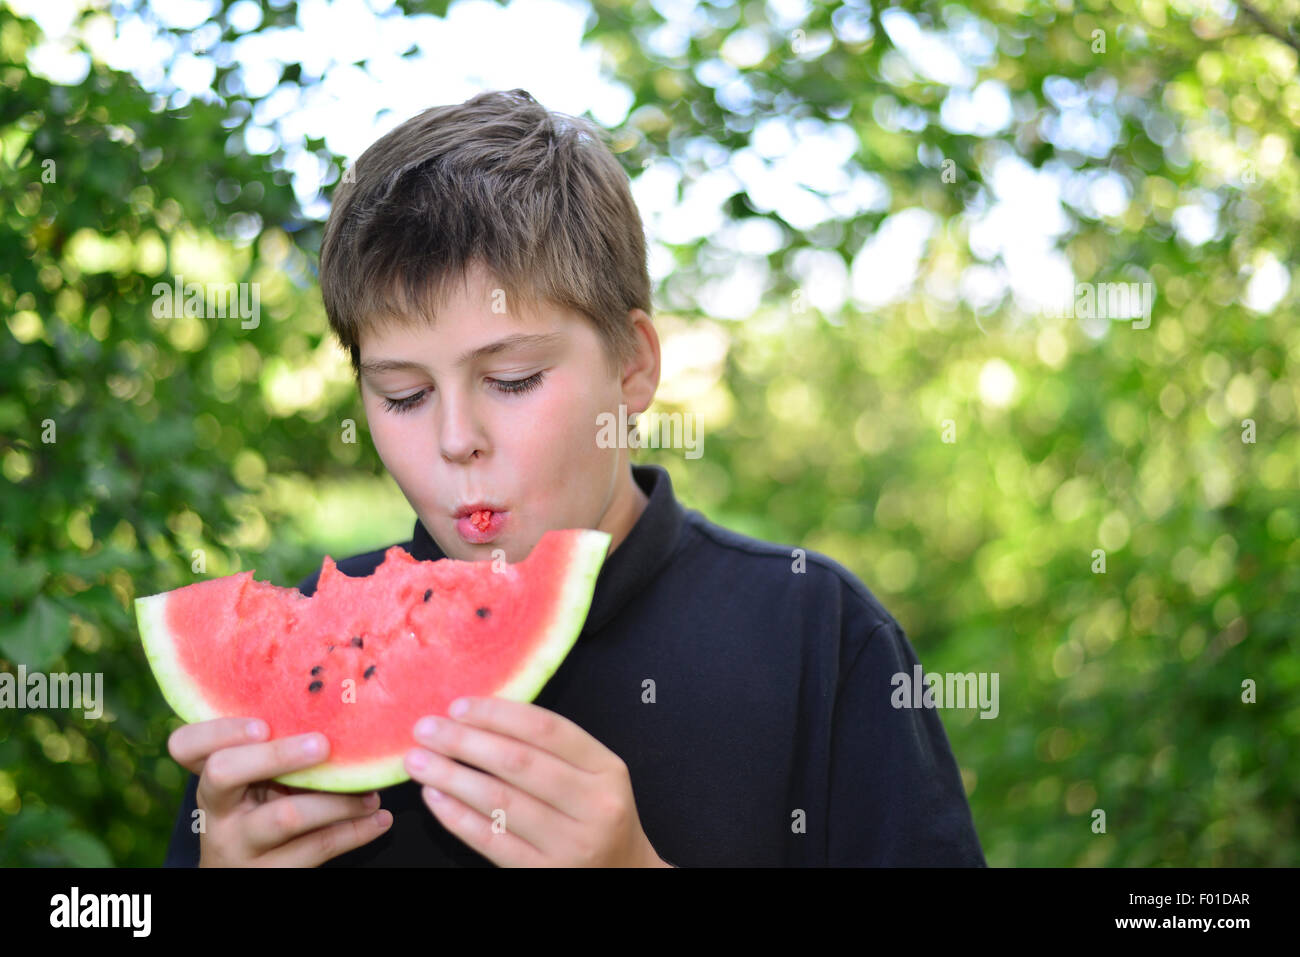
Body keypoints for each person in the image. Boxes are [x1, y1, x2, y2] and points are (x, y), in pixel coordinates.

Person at [162, 89, 986, 867]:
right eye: (403, 394)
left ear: (632, 367)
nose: (457, 440)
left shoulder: (823, 637)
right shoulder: (310, 667)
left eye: (512, 378)